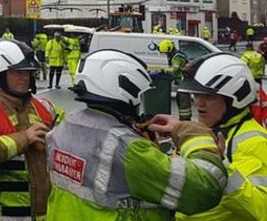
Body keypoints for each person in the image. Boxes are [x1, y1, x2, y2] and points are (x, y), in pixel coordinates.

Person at [45, 50, 227, 218]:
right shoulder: (127, 148)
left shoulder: (65, 127)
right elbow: (205, 189)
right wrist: (192, 132)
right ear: (127, 91)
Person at [0, 40, 64, 220]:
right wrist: (24, 138)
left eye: (28, 73)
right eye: (17, 73)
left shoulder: (47, 109)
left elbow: (72, 141)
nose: (24, 78)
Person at [174, 53, 267, 220]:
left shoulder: (254, 142)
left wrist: (221, 166)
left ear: (235, 98)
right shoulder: (217, 130)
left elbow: (262, 209)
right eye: (196, 95)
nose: (198, 103)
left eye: (208, 96)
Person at [159, 37, 193, 121]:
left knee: (183, 100)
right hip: (181, 80)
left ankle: (185, 120)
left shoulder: (177, 57)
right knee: (180, 99)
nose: (166, 54)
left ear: (170, 49)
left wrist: (164, 70)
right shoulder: (173, 55)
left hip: (184, 80)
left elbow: (175, 70)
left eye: (166, 52)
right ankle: (184, 119)